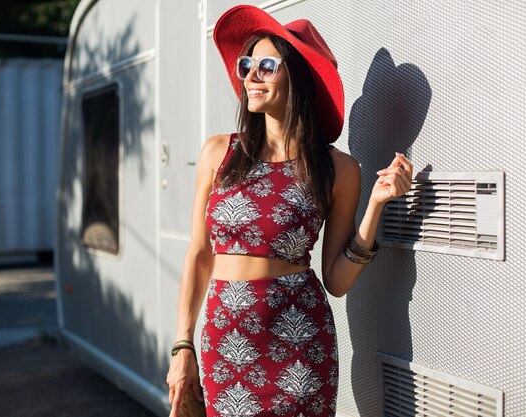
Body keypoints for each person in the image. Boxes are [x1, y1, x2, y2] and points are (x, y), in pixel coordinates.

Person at [166, 5, 413, 417]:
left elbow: (336, 280)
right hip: (225, 339)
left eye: (265, 65)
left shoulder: (340, 169)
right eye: (247, 65)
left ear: (296, 76)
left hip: (301, 342)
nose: (249, 76)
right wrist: (182, 345)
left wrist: (374, 207)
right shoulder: (218, 152)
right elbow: (198, 254)